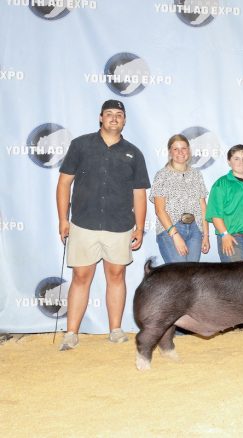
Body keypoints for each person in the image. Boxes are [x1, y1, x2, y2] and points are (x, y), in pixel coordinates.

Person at [56, 99, 150, 350]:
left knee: (117, 275)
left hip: (119, 226)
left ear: (125, 120)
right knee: (81, 276)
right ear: (100, 118)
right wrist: (63, 219)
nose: (114, 118)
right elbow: (64, 183)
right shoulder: (80, 145)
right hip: (83, 224)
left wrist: (139, 227)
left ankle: (116, 329)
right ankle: (71, 332)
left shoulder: (134, 153)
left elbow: (139, 193)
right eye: (109, 114)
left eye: (119, 114)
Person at [150, 134, 210, 264]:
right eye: (175, 149)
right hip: (170, 230)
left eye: (183, 148)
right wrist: (175, 235)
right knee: (178, 277)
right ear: (170, 152)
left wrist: (205, 235)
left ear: (189, 151)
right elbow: (159, 210)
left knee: (191, 278)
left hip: (195, 230)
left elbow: (203, 207)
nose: (180, 152)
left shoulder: (196, 174)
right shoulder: (162, 175)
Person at [206, 144, 243, 262]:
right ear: (229, 161)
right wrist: (224, 235)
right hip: (233, 240)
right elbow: (215, 214)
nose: (241, 161)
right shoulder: (221, 184)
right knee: (235, 280)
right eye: (236, 158)